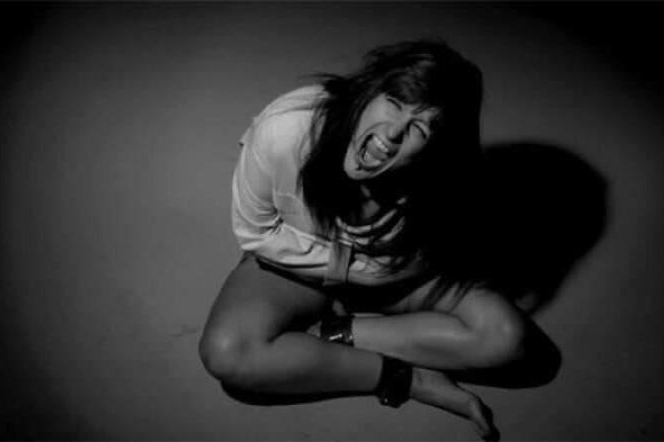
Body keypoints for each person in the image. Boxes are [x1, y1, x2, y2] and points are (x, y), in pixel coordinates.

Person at [200, 40, 529, 440]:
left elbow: (434, 252)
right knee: (228, 352)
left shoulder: (440, 177)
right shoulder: (288, 128)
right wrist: (354, 270)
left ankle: (334, 335)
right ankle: (404, 376)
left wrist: (391, 265)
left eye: (419, 128)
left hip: (393, 273)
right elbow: (256, 234)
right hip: (296, 265)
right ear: (368, 90)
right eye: (393, 102)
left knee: (505, 337)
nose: (392, 133)